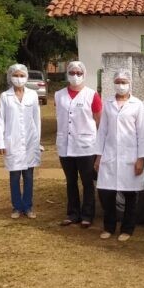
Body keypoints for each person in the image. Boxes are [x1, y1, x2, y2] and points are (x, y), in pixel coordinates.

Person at [94, 69, 144, 241]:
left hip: (130, 156)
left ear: (130, 83)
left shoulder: (137, 104)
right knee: (106, 193)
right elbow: (102, 131)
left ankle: (127, 229)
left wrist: (140, 158)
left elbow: (142, 133)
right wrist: (98, 155)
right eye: (118, 81)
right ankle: (109, 226)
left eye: (124, 82)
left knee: (130, 194)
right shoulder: (107, 103)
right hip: (109, 154)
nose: (121, 85)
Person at [54, 60, 102, 229]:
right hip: (65, 145)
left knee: (87, 181)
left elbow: (99, 120)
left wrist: (99, 146)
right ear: (67, 74)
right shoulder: (59, 95)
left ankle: (87, 215)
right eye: (72, 73)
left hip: (86, 145)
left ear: (84, 75)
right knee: (70, 181)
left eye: (79, 73)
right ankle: (72, 213)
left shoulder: (91, 95)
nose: (75, 76)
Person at [0, 63, 41, 219]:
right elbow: (1, 120)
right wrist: (1, 143)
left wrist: (38, 142)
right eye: (16, 75)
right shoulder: (5, 96)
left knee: (29, 176)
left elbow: (37, 119)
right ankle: (16, 207)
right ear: (10, 76)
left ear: (26, 77)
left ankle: (28, 206)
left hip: (30, 141)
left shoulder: (33, 95)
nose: (19, 78)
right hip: (12, 141)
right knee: (15, 176)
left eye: (22, 75)